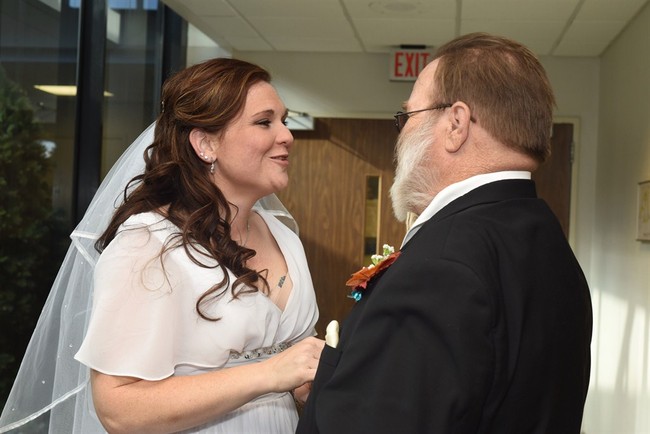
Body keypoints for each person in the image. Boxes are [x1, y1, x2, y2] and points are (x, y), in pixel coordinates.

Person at [0, 58, 324, 434]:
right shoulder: (147, 245)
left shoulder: (282, 234)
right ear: (205, 143)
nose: (286, 136)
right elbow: (119, 409)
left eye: (283, 120)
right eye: (265, 121)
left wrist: (304, 381)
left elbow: (290, 359)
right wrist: (268, 374)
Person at [296, 32, 592, 434]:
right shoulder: (549, 242)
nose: (400, 135)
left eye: (407, 117)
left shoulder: (440, 265)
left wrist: (327, 390)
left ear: (456, 124)